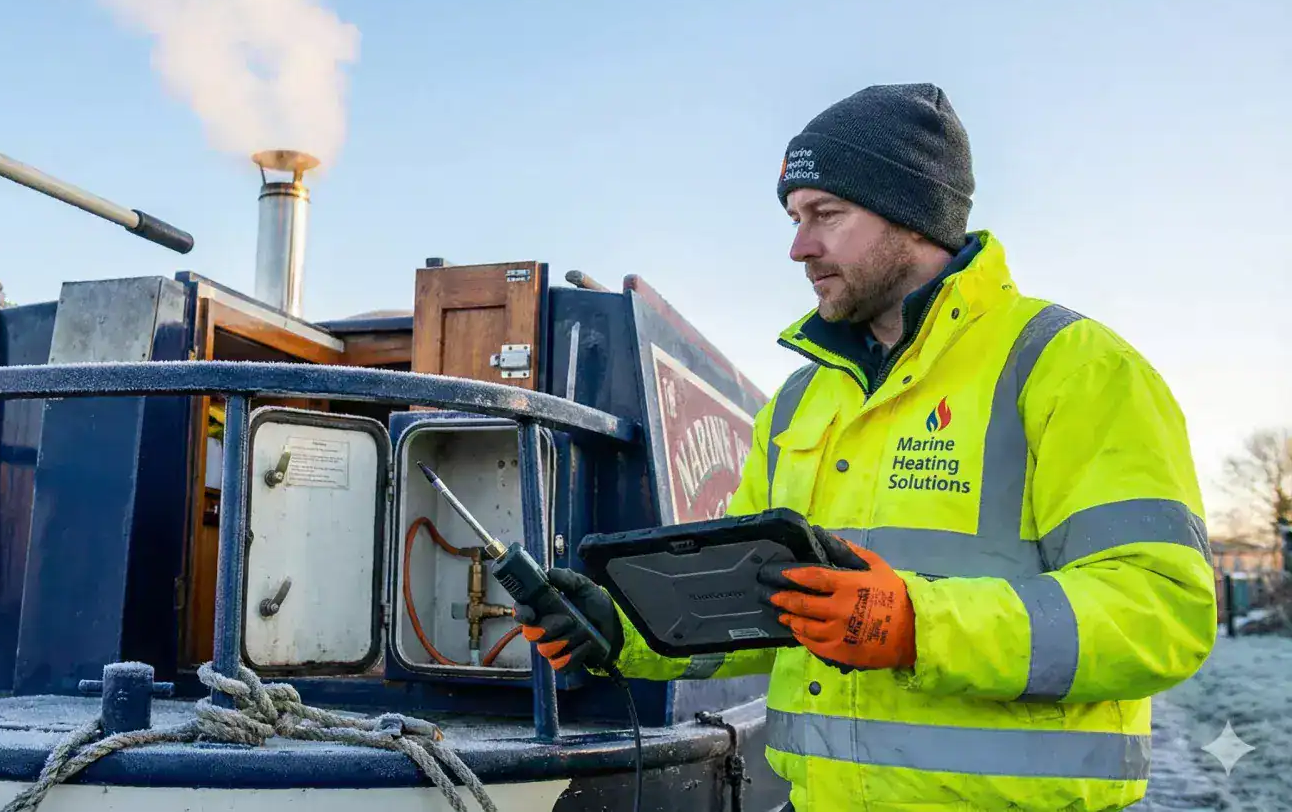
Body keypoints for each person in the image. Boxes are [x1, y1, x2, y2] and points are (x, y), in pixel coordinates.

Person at [514, 83, 1217, 810]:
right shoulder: (800, 402)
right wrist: (619, 623)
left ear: (912, 213)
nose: (798, 246)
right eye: (794, 217)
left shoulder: (1072, 367)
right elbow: (751, 599)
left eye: (826, 214)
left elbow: (1161, 611)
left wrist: (918, 625)